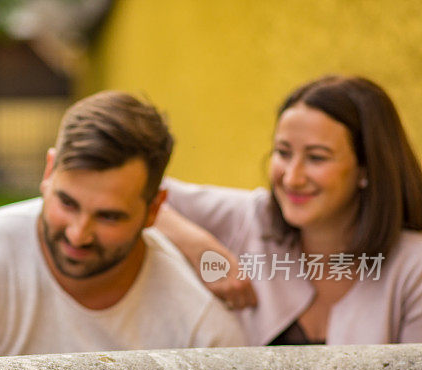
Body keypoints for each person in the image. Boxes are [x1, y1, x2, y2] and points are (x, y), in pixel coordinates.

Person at [0, 91, 246, 356]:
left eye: (109, 216)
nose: (78, 234)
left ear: (154, 211)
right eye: (67, 202)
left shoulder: (202, 327)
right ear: (48, 172)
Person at [157, 75, 422, 345]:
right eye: (283, 153)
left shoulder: (414, 268)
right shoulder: (251, 219)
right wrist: (200, 247)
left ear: (366, 169)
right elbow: (139, 192)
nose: (292, 178)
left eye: (317, 157)